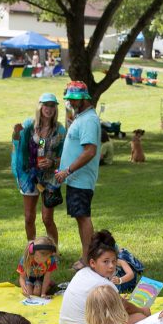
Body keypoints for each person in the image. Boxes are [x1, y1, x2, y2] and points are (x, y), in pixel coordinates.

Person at [58, 230, 150, 324]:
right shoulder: (104, 284)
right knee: (140, 318)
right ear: (93, 263)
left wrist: (117, 300)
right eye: (106, 261)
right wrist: (142, 310)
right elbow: (125, 307)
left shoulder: (82, 273)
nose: (111, 266)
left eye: (114, 261)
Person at [55, 81, 101, 268]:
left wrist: (68, 170)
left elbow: (89, 151)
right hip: (71, 178)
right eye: (69, 99)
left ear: (85, 98)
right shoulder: (81, 117)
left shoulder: (89, 119)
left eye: (75, 99)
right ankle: (87, 257)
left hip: (79, 178)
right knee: (80, 217)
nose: (72, 103)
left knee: (83, 217)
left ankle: (88, 259)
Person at [11, 92, 66, 244]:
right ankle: (32, 249)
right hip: (30, 175)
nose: (49, 108)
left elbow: (65, 155)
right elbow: (18, 146)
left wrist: (52, 162)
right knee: (29, 217)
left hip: (49, 176)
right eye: (46, 105)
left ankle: (54, 250)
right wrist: (15, 133)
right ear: (40, 107)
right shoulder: (29, 125)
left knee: (47, 218)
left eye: (52, 105)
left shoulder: (60, 130)